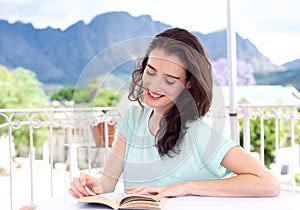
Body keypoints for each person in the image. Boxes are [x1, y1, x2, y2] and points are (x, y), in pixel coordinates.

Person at [69, 27, 280, 199]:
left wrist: (186, 187)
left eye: (170, 80)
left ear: (188, 84)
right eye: (150, 72)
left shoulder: (197, 133)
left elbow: (268, 183)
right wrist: (92, 185)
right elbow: (107, 182)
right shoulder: (133, 119)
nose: (154, 85)